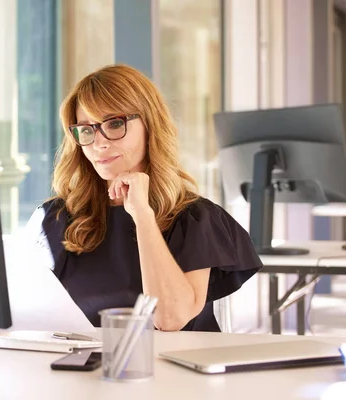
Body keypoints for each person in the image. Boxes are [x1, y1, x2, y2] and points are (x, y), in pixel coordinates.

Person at [26, 64, 262, 332]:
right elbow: (24, 312)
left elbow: (169, 319)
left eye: (115, 124)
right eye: (87, 129)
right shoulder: (54, 219)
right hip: (81, 370)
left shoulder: (196, 219)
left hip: (173, 370)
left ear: (150, 124)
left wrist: (142, 216)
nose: (99, 143)